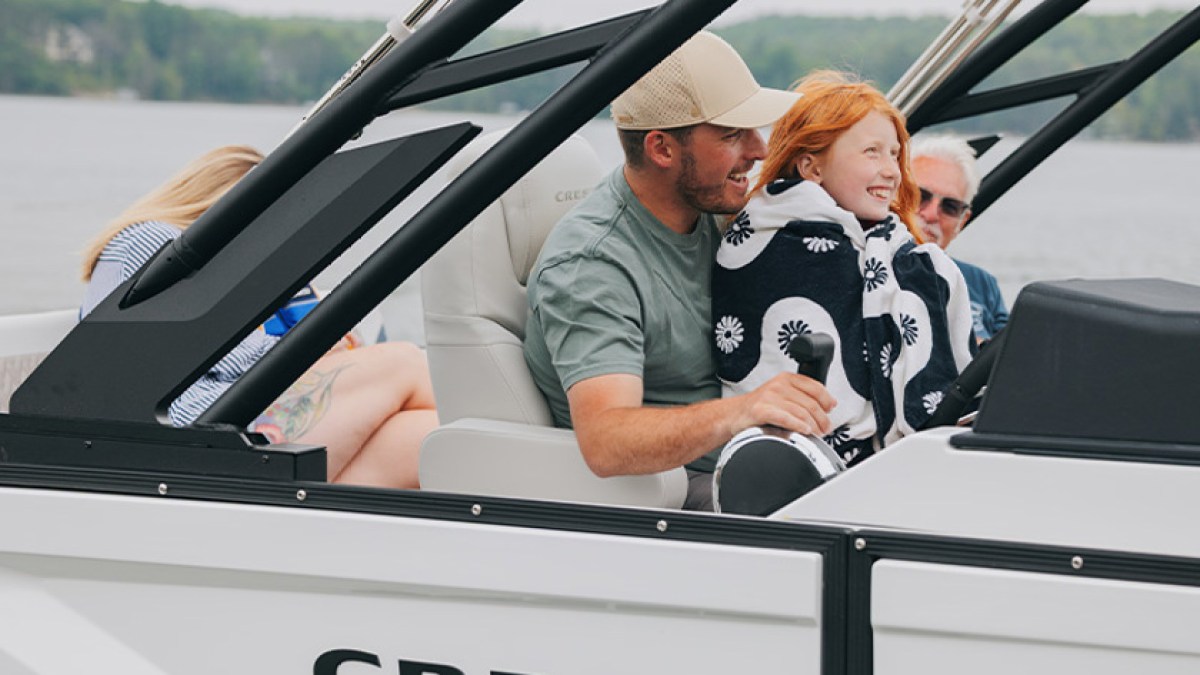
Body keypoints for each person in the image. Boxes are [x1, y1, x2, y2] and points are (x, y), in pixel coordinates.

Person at [523, 31, 836, 511]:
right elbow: (606, 440)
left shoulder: (718, 209)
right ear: (662, 149)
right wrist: (746, 412)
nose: (757, 150)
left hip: (768, 455)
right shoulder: (590, 264)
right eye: (733, 135)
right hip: (687, 490)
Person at [80, 145, 438, 489]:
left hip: (233, 428)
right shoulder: (147, 241)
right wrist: (313, 347)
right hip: (194, 432)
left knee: (425, 436)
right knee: (402, 361)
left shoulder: (226, 271)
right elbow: (211, 350)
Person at [713, 71, 976, 467]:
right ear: (811, 168)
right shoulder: (765, 247)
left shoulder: (898, 253)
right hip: (797, 470)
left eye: (893, 153)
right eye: (872, 152)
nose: (892, 171)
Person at [910, 134, 1008, 340]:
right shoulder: (862, 271)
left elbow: (1012, 358)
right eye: (920, 196)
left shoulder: (981, 284)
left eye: (950, 207)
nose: (931, 214)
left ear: (962, 221)